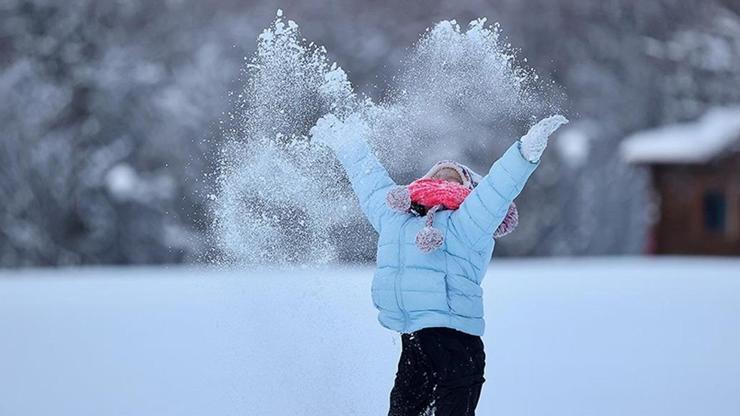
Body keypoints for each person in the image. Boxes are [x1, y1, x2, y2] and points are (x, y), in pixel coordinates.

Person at [310, 113, 568, 416]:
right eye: (438, 175)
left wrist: (525, 152)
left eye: (454, 177)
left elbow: (497, 188)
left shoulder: (469, 222)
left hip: (457, 343)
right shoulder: (397, 217)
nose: (444, 179)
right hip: (414, 341)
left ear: (470, 189)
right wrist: (347, 143)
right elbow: (370, 182)